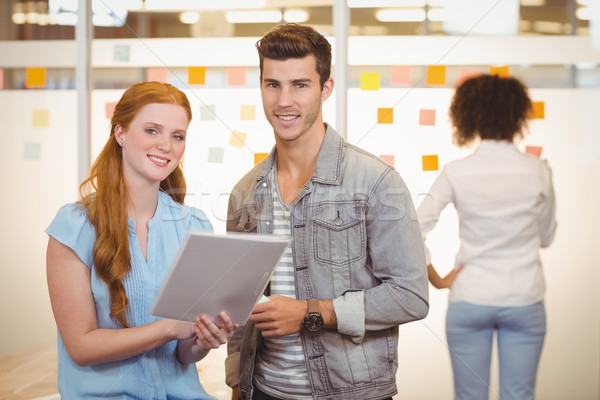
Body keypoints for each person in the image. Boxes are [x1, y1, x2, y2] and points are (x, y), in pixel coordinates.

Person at [225, 23, 429, 400]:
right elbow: (243, 304)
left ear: (326, 88)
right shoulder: (245, 192)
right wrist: (238, 385)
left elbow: (411, 296)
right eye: (273, 84)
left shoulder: (375, 181)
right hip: (264, 392)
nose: (284, 100)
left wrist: (308, 312)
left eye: (300, 85)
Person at [45, 81, 236, 399]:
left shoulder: (193, 225)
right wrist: (171, 328)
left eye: (177, 136)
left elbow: (182, 356)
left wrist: (202, 339)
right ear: (120, 133)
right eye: (152, 130)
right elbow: (81, 346)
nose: (166, 145)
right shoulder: (75, 226)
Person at [417, 74, 557, 400]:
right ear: (519, 116)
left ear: (470, 116)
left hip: (470, 298)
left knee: (469, 396)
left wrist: (437, 279)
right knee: (519, 395)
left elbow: (413, 227)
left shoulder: (456, 170)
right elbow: (546, 238)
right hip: (524, 297)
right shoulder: (538, 171)